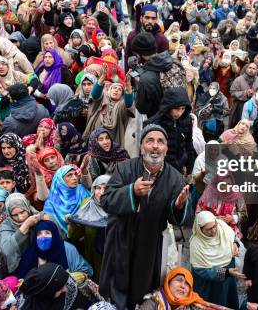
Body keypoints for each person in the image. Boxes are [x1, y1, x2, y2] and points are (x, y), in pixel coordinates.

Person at [100, 124, 192, 309]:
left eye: (161, 142)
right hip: (121, 236)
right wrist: (131, 191)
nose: (155, 146)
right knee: (117, 284)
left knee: (141, 289)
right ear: (141, 147)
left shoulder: (175, 178)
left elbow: (180, 218)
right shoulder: (124, 169)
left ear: (166, 148)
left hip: (150, 243)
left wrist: (178, 206)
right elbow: (106, 200)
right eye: (150, 141)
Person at [189, 211, 242, 308]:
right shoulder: (196, 245)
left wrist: (235, 244)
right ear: (200, 229)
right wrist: (226, 272)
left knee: (227, 301)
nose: (213, 231)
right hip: (208, 286)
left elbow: (232, 237)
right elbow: (202, 271)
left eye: (214, 226)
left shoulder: (222, 227)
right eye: (208, 229)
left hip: (227, 279)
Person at [144, 86, 197, 175]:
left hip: (179, 168)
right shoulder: (154, 123)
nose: (179, 113)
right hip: (160, 170)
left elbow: (189, 145)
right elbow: (146, 151)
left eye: (183, 108)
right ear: (169, 107)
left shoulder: (187, 120)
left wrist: (190, 169)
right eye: (176, 109)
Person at [68, 174, 111, 281]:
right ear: (93, 189)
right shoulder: (86, 204)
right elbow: (76, 236)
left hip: (113, 255)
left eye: (106, 188)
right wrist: (73, 224)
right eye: (98, 188)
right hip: (93, 254)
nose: (101, 192)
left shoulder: (118, 205)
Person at [17, 262, 98, 310]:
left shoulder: (69, 286)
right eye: (60, 289)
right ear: (46, 292)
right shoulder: (27, 306)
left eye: (65, 284)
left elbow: (84, 303)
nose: (66, 289)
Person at [43, 165, 91, 236]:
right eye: (69, 175)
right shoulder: (51, 202)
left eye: (75, 174)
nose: (75, 178)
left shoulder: (82, 191)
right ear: (60, 179)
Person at [139, 267, 216, 310]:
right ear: (168, 282)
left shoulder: (194, 305)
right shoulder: (154, 302)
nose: (182, 286)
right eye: (179, 280)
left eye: (187, 284)